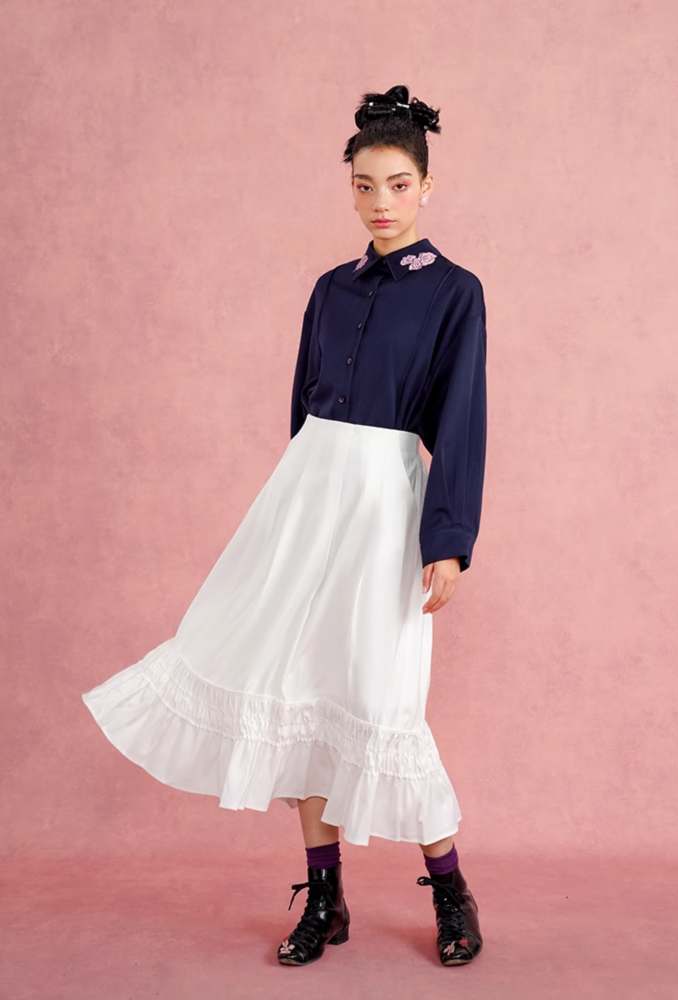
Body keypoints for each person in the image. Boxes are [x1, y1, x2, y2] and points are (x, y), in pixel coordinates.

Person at [81, 82, 487, 968]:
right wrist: (295, 508)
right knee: (299, 686)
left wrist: (449, 540)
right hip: (307, 500)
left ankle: (451, 887)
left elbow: (460, 421)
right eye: (363, 186)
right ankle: (325, 896)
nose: (380, 203)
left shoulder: (455, 293)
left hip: (384, 507)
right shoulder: (331, 289)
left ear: (427, 187)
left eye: (398, 185)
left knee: (380, 696)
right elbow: (301, 413)